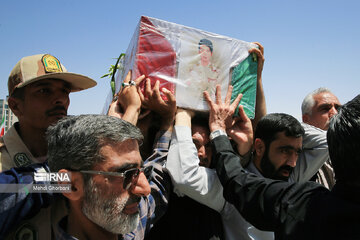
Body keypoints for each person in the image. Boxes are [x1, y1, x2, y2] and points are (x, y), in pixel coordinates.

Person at [206, 86, 360, 239]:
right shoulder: (305, 201)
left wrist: (218, 130)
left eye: (297, 152)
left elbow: (236, 181)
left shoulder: (306, 203)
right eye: (285, 150)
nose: (293, 163)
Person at [0, 53, 96, 239]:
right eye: (44, 91)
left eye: (65, 91)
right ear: (15, 106)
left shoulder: (79, 157)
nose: (60, 99)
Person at [301, 87, 341, 189]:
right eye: (325, 109)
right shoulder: (297, 155)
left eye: (338, 108)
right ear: (306, 119)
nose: (335, 113)